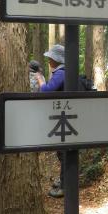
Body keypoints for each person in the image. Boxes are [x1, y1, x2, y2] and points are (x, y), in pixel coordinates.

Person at [36, 44, 65, 198]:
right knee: (62, 151)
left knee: (64, 152)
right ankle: (64, 179)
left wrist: (41, 80)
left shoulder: (61, 73)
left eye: (50, 58)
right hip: (63, 116)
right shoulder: (63, 72)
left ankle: (66, 185)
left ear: (57, 59)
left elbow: (47, 91)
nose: (48, 60)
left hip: (65, 117)